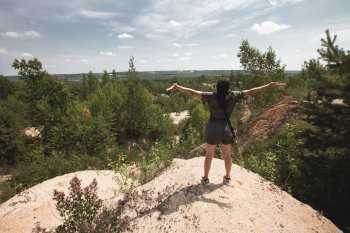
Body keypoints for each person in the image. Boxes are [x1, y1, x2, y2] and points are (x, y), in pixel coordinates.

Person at [166, 77, 286, 185]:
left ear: (217, 87)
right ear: (228, 87)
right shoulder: (233, 96)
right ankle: (227, 178)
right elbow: (252, 91)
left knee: (209, 155)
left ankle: (206, 178)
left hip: (213, 127)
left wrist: (177, 87)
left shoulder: (211, 96)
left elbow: (192, 92)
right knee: (227, 156)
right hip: (226, 128)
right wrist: (269, 86)